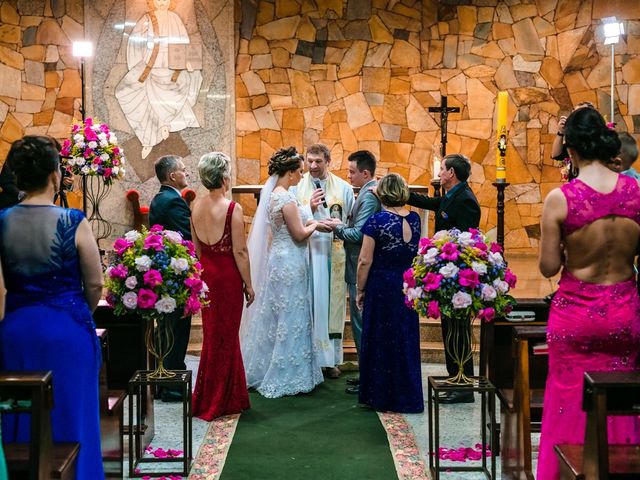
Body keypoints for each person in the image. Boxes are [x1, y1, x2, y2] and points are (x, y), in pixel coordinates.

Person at [537, 107, 640, 480]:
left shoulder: (561, 198)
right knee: (620, 403)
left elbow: (548, 267)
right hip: (625, 314)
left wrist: (569, 249)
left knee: (568, 402)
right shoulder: (635, 191)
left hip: (576, 318)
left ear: (571, 149)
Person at [0, 136, 105, 479]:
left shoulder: (2, 221)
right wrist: (79, 312)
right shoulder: (73, 221)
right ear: (55, 176)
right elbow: (95, 283)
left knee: (18, 416)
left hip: (15, 332)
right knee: (74, 416)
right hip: (67, 331)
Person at [240, 147, 328, 398]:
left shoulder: (274, 196)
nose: (302, 176)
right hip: (290, 262)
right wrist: (316, 224)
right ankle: (287, 372)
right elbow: (299, 234)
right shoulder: (286, 198)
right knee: (291, 314)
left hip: (280, 259)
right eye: (299, 172)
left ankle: (272, 363)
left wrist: (308, 220)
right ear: (289, 173)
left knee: (278, 315)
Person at [407, 153, 480, 403]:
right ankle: (455, 377)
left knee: (459, 330)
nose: (440, 173)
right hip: (447, 271)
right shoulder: (451, 196)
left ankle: (464, 384)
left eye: (443, 170)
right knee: (450, 328)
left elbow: (467, 239)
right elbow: (431, 203)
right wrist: (400, 193)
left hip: (458, 274)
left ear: (452, 174)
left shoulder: (466, 200)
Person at [190, 152, 252, 420]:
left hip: (207, 276)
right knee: (226, 336)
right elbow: (240, 252)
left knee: (214, 336)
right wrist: (249, 284)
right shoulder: (231, 208)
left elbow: (196, 251)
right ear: (224, 177)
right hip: (227, 277)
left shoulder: (195, 207)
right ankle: (220, 399)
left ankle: (229, 395)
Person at [355, 173, 423, 413]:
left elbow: (364, 260)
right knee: (404, 338)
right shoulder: (415, 219)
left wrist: (359, 289)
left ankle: (380, 395)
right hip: (407, 284)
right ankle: (406, 394)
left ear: (382, 193)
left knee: (380, 337)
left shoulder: (376, 221)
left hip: (382, 285)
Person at [294, 144, 354, 378]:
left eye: (318, 161)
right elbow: (291, 217)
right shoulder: (297, 185)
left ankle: (330, 360)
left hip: (334, 252)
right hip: (307, 250)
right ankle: (307, 357)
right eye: (310, 161)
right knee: (309, 303)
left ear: (328, 161)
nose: (313, 166)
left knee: (332, 307)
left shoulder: (344, 187)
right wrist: (308, 207)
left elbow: (350, 219)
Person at [115, 0, 203, 159]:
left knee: (192, 77)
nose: (162, 2)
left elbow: (184, 44)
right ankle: (149, 137)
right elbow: (134, 46)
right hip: (149, 67)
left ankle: (162, 125)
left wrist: (187, 62)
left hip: (173, 68)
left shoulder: (175, 18)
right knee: (123, 91)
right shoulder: (146, 19)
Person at [326, 150, 380, 395]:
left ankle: (367, 375)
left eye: (352, 172)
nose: (348, 176)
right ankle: (365, 372)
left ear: (365, 173)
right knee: (361, 322)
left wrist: (337, 228)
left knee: (361, 323)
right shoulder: (367, 192)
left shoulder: (369, 196)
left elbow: (359, 234)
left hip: (360, 265)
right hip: (357, 264)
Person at [149, 155, 192, 401]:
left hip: (166, 272)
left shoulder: (161, 198)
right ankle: (173, 384)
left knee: (167, 327)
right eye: (183, 170)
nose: (186, 174)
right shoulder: (173, 202)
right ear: (173, 175)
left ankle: (164, 381)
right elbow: (186, 237)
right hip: (175, 273)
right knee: (176, 328)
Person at [551, 101, 596, 180]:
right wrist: (561, 133)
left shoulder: (599, 138)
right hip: (575, 184)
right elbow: (556, 154)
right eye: (574, 113)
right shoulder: (574, 139)